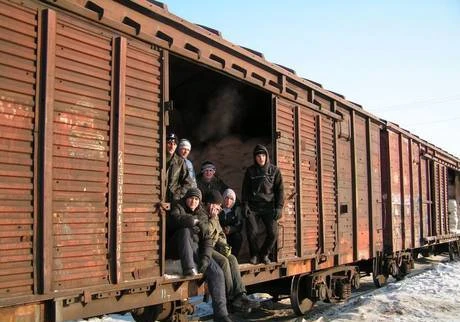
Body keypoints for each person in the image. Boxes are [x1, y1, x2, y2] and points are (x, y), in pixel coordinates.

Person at [166, 187, 232, 322]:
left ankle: (221, 315)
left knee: (217, 273)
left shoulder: (202, 213)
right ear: (186, 198)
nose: (193, 202)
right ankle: (189, 268)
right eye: (191, 198)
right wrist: (192, 221)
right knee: (184, 231)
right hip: (177, 248)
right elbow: (174, 220)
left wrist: (206, 259)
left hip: (196, 249)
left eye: (196, 199)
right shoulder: (178, 206)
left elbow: (207, 239)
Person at [203, 190, 259, 311]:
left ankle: (240, 294)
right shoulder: (202, 214)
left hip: (214, 246)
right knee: (223, 261)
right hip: (204, 248)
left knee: (232, 258)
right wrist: (213, 218)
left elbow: (221, 234)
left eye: (219, 206)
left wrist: (224, 245)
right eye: (216, 205)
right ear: (209, 204)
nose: (218, 208)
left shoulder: (215, 215)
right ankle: (231, 297)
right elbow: (205, 234)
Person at [242, 144, 284, 265]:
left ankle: (264, 254)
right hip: (253, 207)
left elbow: (280, 190)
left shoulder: (274, 171)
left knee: (273, 233)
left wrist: (279, 207)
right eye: (258, 156)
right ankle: (254, 254)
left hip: (268, 206)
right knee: (252, 232)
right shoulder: (250, 171)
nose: (260, 158)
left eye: (263, 155)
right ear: (255, 158)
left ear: (266, 156)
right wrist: (245, 204)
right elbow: (245, 189)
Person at [165, 133, 193, 203]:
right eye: (169, 143)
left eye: (174, 144)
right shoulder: (158, 159)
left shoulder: (180, 162)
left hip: (172, 201)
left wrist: (177, 195)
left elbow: (188, 183)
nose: (172, 146)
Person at [219, 189, 243, 257]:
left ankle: (234, 257)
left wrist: (230, 229)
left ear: (234, 201)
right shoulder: (218, 208)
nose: (228, 201)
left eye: (231, 199)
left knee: (238, 237)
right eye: (227, 198)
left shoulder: (236, 210)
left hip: (230, 235)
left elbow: (239, 226)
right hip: (219, 234)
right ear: (223, 198)